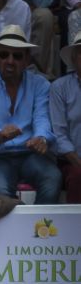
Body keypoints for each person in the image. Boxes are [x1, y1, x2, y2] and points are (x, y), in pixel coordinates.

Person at [0, 25, 61, 204]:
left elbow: (42, 118)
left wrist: (41, 138)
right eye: (4, 55)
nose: (10, 60)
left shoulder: (40, 84)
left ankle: (38, 228)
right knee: (0, 192)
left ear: (27, 59)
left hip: (29, 154)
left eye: (17, 56)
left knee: (53, 178)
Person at [49, 33, 81, 203]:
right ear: (74, 58)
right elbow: (59, 135)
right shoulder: (59, 87)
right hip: (71, 161)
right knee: (78, 176)